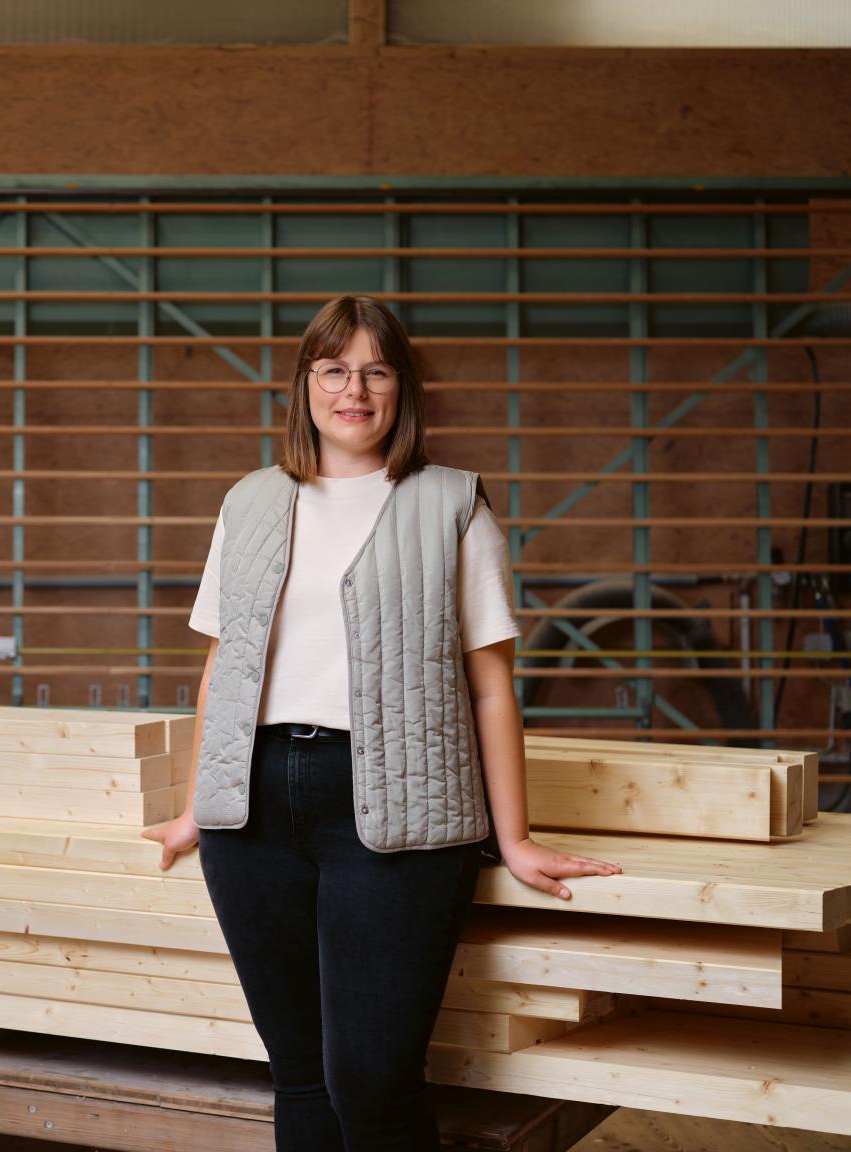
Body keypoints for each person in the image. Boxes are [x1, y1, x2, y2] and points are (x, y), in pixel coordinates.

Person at [142, 294, 621, 1151]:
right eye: (333, 369)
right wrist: (196, 806)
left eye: (375, 370)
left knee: (371, 1082)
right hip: (250, 814)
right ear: (306, 385)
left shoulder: (453, 507)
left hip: (398, 816)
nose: (352, 389)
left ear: (402, 388)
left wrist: (512, 838)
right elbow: (224, 666)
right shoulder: (249, 502)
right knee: (299, 1075)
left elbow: (490, 689)